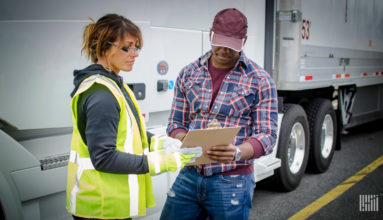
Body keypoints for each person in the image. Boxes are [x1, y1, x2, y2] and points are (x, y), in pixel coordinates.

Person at [66, 14, 201, 220]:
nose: (135, 54)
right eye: (127, 47)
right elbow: (104, 158)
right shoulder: (101, 94)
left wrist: (162, 143)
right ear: (104, 47)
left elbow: (130, 132)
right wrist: (163, 161)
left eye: (137, 47)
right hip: (101, 208)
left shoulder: (114, 85)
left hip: (109, 205)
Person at [160, 8, 278, 220]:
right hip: (189, 174)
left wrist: (238, 151)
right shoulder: (188, 73)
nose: (224, 49)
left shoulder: (260, 80)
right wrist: (185, 139)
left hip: (232, 181)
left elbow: (268, 134)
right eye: (220, 42)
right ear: (211, 35)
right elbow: (175, 123)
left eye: (232, 45)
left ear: (244, 41)